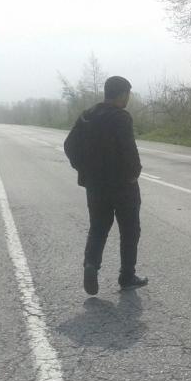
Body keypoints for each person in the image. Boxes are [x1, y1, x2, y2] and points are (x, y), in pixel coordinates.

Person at [64, 75, 148, 295]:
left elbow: (69, 145)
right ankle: (127, 276)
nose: (128, 99)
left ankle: (91, 265)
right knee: (130, 230)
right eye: (127, 94)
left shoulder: (87, 115)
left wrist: (83, 169)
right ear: (122, 94)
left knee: (99, 227)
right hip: (123, 185)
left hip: (96, 185)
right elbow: (129, 149)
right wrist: (134, 173)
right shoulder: (121, 117)